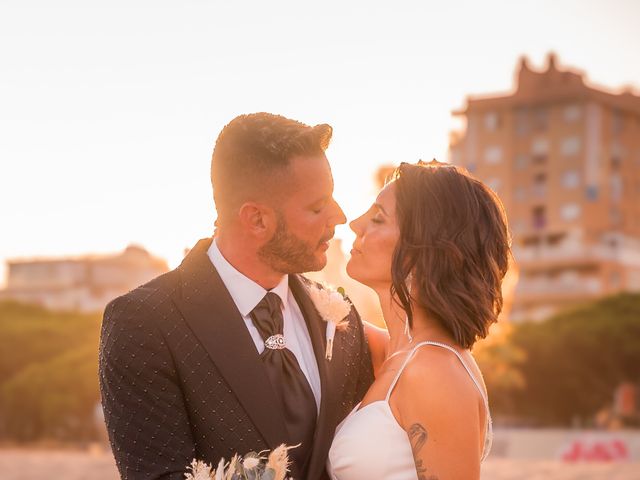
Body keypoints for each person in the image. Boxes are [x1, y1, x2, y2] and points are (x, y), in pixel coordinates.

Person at [99, 113, 374, 480]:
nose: (338, 216)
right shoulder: (144, 323)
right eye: (316, 206)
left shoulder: (341, 318)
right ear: (256, 219)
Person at [328, 160, 511, 480]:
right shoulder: (397, 353)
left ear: (421, 251)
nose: (356, 224)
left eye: (377, 218)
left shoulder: (434, 370)